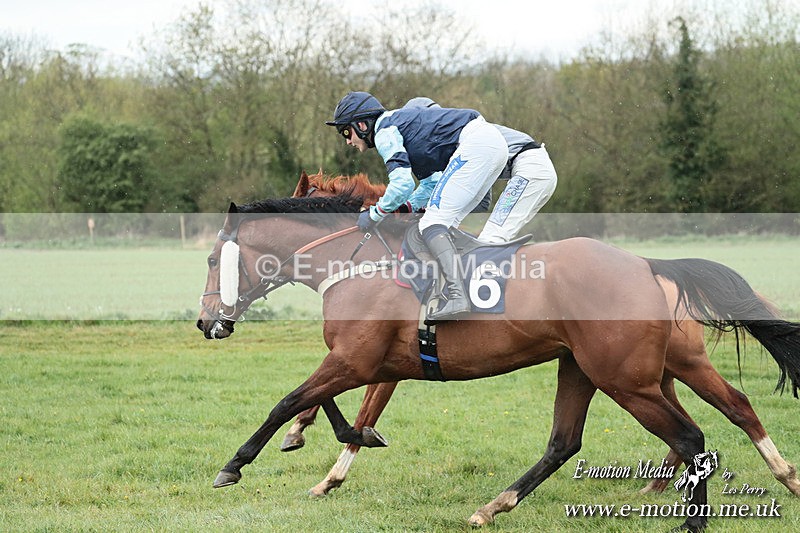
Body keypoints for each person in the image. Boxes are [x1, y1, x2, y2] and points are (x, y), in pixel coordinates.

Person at [326, 91, 507, 321]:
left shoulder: (384, 131)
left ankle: (457, 295)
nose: (347, 141)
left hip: (477, 145)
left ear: (362, 124)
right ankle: (468, 285)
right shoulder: (406, 129)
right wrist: (405, 208)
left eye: (346, 132)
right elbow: (430, 185)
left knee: (432, 223)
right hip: (490, 144)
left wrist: (375, 214)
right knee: (444, 224)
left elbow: (401, 184)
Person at [404, 97, 557, 243]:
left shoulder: (464, 136)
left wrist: (413, 207)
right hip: (535, 167)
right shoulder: (460, 134)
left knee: (490, 240)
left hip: (531, 168)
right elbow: (483, 201)